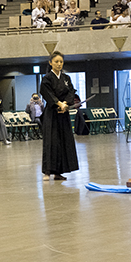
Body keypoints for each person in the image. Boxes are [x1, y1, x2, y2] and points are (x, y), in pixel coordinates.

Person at [40, 51, 79, 181]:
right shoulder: (47, 78)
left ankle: (58, 172)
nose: (59, 64)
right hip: (52, 113)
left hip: (64, 114)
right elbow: (46, 92)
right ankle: (47, 171)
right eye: (56, 61)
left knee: (63, 141)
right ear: (50, 63)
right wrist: (58, 103)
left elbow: (71, 92)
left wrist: (66, 104)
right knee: (52, 142)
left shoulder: (66, 78)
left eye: (61, 62)